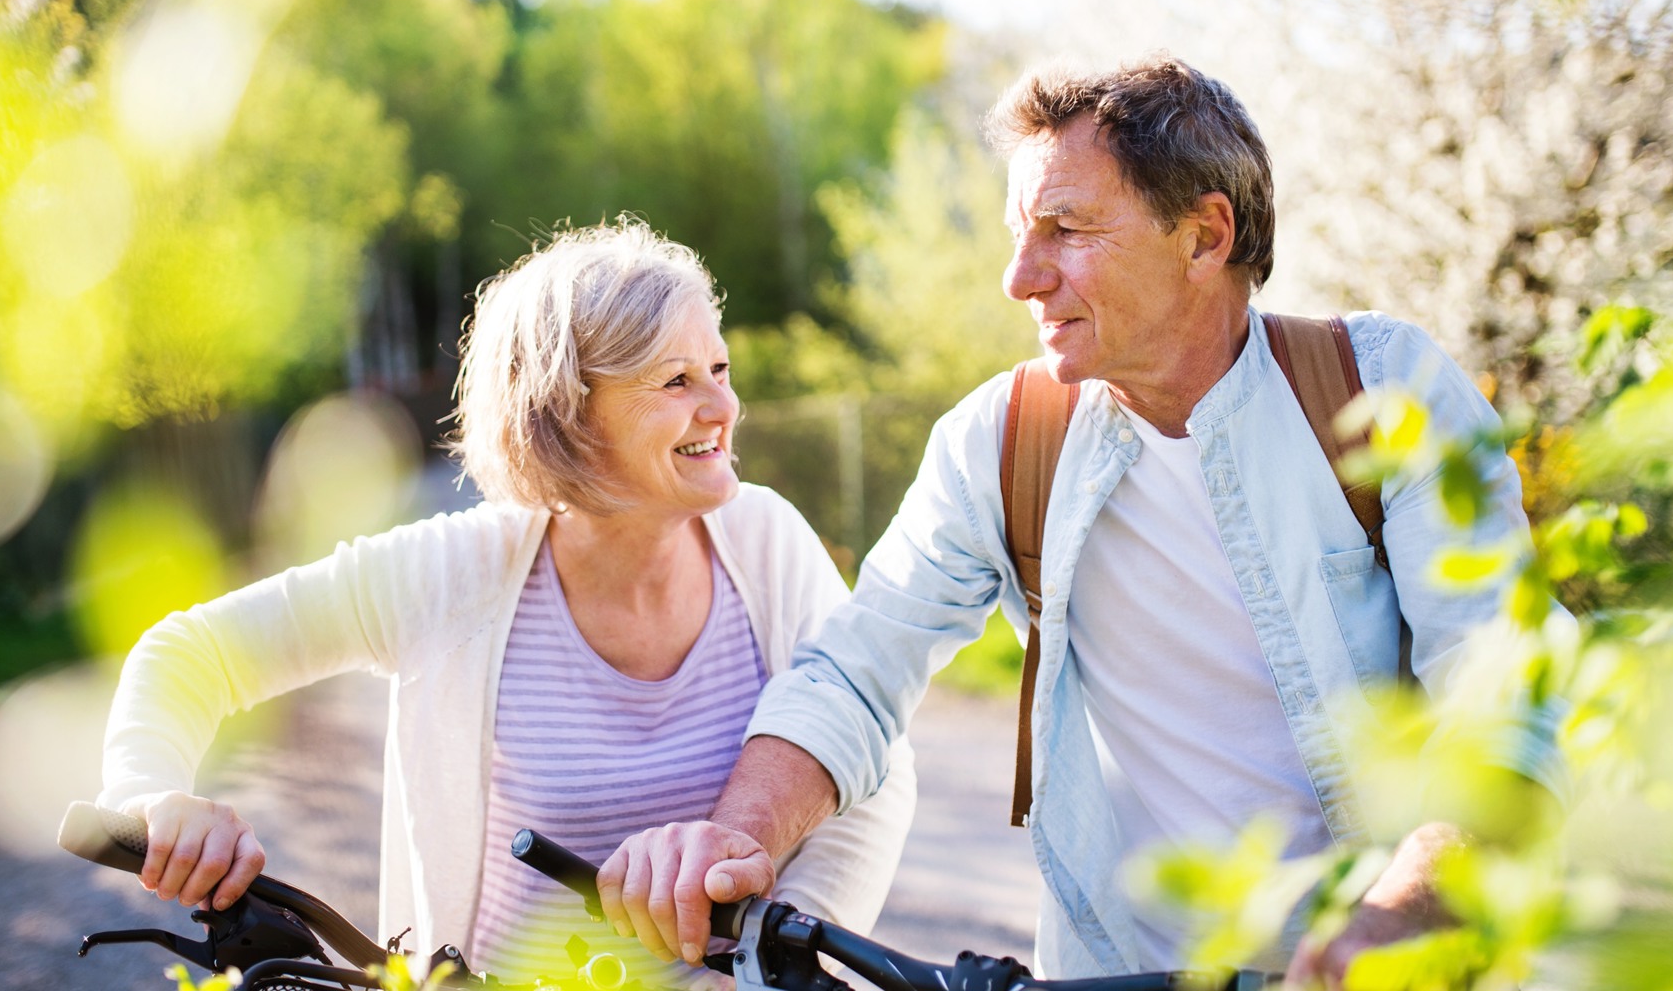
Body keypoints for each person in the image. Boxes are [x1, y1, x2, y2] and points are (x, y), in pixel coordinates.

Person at [597, 57, 1567, 988]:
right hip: (1107, 974)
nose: (1022, 276)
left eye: (1065, 228)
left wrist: (1409, 911)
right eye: (1021, 232)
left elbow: (1503, 687)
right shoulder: (1001, 438)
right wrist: (741, 836)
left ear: (1205, 235)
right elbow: (856, 668)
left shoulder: (1381, 390)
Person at [95, 219, 916, 985]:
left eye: (720, 369)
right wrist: (150, 799)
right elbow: (187, 655)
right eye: (675, 379)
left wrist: (783, 970)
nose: (722, 407)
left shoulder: (766, 540)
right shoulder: (449, 573)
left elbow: (870, 759)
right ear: (567, 415)